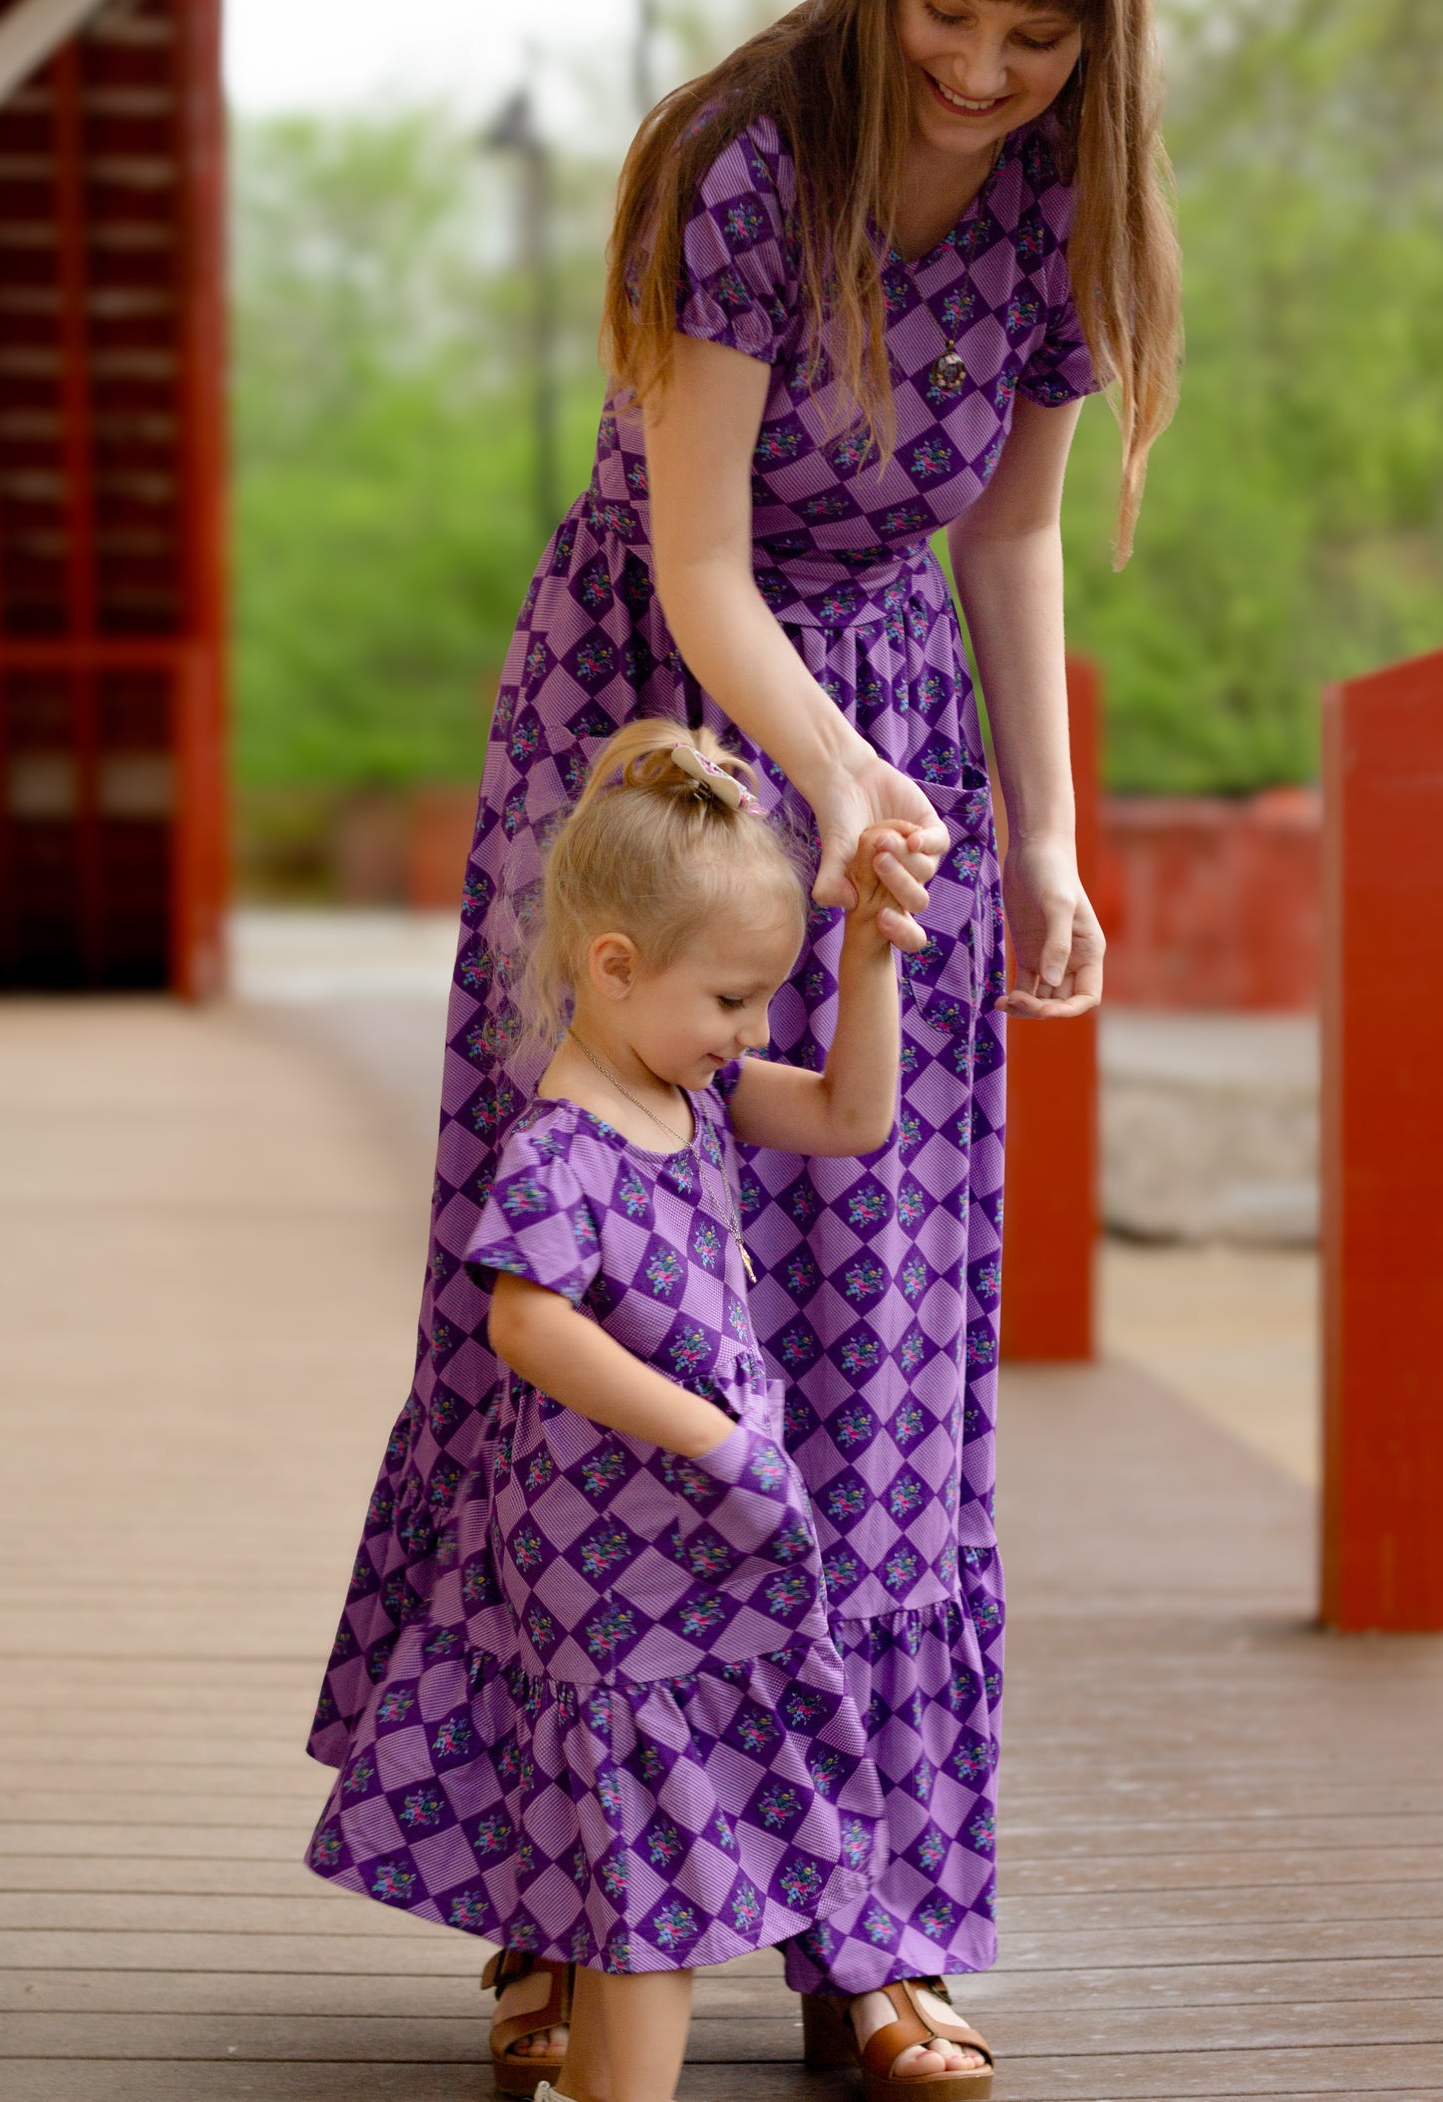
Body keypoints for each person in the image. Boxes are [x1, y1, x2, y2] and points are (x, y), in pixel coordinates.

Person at [306, 0, 1179, 2097]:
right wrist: (835, 781)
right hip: (658, 735)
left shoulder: (1061, 206)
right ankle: (562, 1916)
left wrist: (1041, 834)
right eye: (953, 12)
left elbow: (1008, 552)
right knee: (601, 1301)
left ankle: (865, 1928)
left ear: (1095, 47)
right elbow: (702, 558)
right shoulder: (749, 173)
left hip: (882, 722)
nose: (985, 69)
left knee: (878, 1339)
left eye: (1037, 36)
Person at [307, 721, 942, 2102]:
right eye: (729, 998)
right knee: (658, 1867)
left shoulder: (688, 1095)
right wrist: (711, 1433)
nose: (751, 1030)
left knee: (641, 1853)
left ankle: (594, 2086)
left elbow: (849, 1115)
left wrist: (870, 956)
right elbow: (525, 1322)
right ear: (612, 966)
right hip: (613, 1557)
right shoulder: (565, 1143)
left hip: (691, 1548)